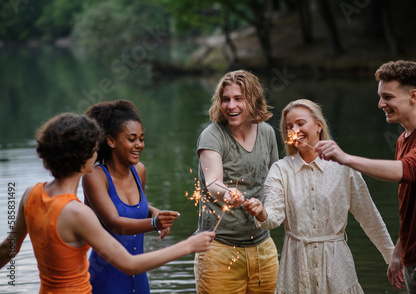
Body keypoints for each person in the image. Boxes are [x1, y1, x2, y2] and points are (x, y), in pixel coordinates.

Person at [0, 113, 214, 294]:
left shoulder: (31, 194)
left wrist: (149, 212)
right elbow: (129, 264)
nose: (97, 153)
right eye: (94, 148)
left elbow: (8, 249)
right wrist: (188, 245)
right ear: (85, 157)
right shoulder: (78, 214)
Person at [315, 60, 416, 293]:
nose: (380, 104)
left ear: (413, 96)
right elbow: (411, 206)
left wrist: (345, 158)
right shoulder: (403, 139)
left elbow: (406, 171)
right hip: (415, 254)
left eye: (388, 97)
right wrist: (398, 251)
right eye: (380, 96)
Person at [244, 99, 394, 293]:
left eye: (300, 123)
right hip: (296, 269)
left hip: (337, 268)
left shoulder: (344, 167)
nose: (294, 130)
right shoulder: (280, 170)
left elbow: (369, 217)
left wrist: (392, 258)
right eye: (289, 127)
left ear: (318, 126)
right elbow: (273, 217)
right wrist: (261, 212)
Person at [82, 99, 181, 293]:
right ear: (110, 141)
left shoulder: (139, 171)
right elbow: (114, 222)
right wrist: (155, 224)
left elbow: (136, 209)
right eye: (131, 139)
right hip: (106, 279)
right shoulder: (95, 177)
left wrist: (155, 212)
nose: (139, 145)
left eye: (141, 139)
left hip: (139, 277)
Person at [194, 70, 280, 293]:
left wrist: (265, 209)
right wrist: (228, 194)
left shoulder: (268, 133)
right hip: (218, 249)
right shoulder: (212, 135)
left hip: (263, 248)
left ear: (253, 100)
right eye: (226, 99)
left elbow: (273, 186)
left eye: (238, 99)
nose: (231, 105)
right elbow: (213, 183)